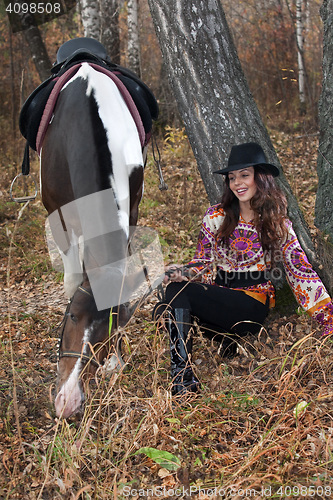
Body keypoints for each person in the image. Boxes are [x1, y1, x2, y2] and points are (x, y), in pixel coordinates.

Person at [154, 142, 333, 397]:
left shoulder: (275, 222)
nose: (237, 182)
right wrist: (182, 271)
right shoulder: (216, 216)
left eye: (244, 175)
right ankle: (185, 375)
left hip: (253, 302)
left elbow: (298, 269)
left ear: (260, 178)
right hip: (220, 297)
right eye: (232, 177)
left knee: (179, 293)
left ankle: (184, 379)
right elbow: (202, 261)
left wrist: (326, 316)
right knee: (175, 290)